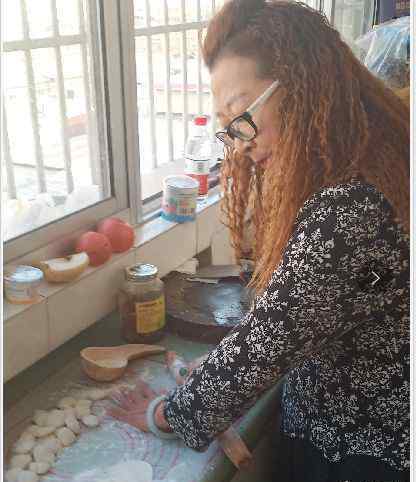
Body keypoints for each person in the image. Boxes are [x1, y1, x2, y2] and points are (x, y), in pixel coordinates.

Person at [109, 1, 410, 480]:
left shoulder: (350, 209)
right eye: (228, 129)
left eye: (241, 114)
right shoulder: (374, 157)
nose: (241, 143)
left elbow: (267, 342)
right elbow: (314, 307)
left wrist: (165, 414)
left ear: (306, 86)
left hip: (357, 448)